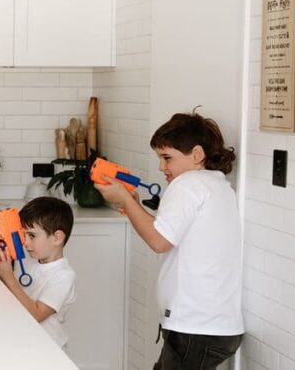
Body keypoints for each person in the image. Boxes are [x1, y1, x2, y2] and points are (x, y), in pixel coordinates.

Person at [95, 112, 243, 369]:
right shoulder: (215, 185)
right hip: (211, 326)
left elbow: (158, 241)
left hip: (194, 328)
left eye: (167, 158)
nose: (162, 167)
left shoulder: (187, 185)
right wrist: (131, 205)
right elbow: (166, 231)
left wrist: (126, 201)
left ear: (197, 155)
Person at [0, 196, 77, 349]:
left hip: (48, 349)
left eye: (32, 236)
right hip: (22, 343)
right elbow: (11, 294)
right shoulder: (27, 261)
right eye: (24, 235)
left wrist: (8, 276)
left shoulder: (64, 276)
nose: (26, 243)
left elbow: (37, 314)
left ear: (57, 238)